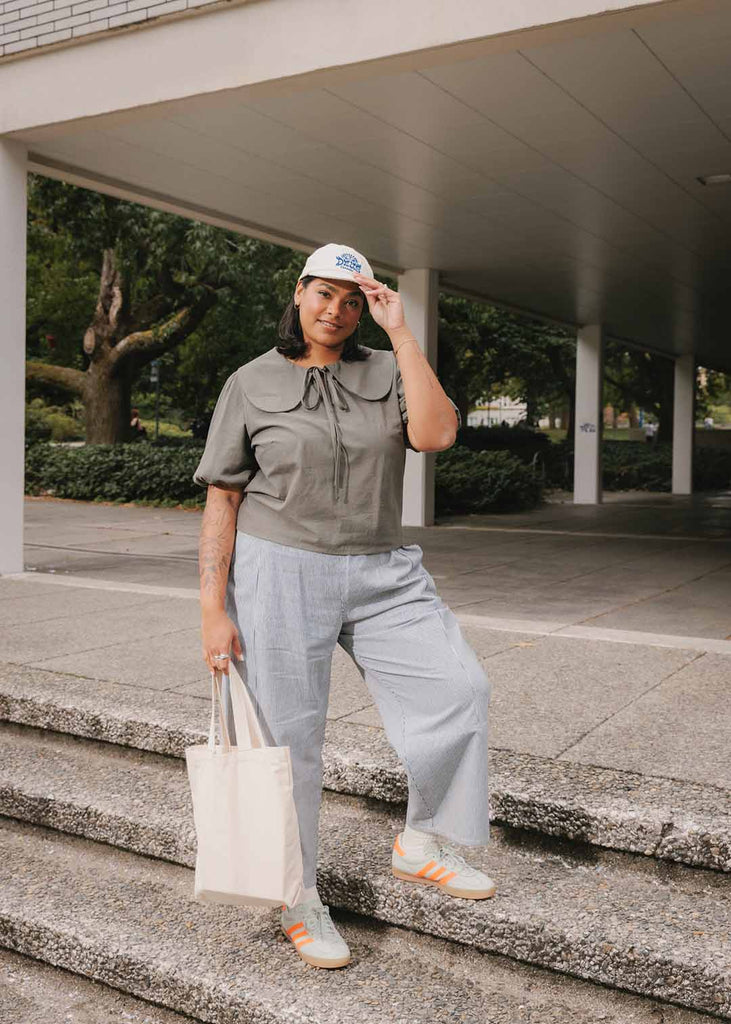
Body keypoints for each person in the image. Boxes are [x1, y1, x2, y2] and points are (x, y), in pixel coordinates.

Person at [193, 243, 494, 971]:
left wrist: (401, 331)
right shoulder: (249, 381)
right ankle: (297, 898)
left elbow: (435, 434)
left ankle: (420, 841)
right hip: (279, 570)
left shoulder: (387, 367)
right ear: (297, 294)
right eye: (324, 293)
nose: (335, 310)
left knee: (459, 688)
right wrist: (211, 607)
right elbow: (222, 498)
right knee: (289, 741)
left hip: (383, 566)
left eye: (352, 299)